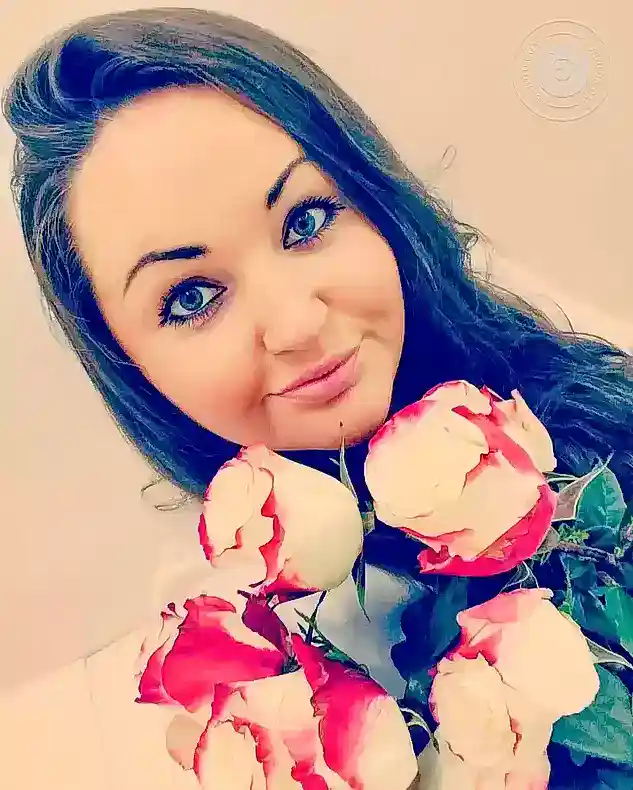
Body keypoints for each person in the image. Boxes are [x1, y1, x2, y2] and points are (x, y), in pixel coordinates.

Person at [3, 7, 633, 787]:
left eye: (305, 220)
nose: (297, 324)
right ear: (130, 366)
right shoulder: (254, 674)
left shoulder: (541, 350)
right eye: (193, 296)